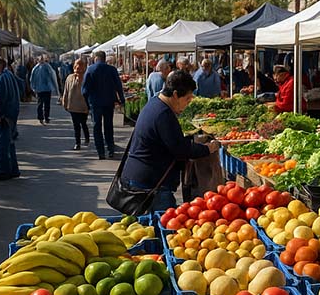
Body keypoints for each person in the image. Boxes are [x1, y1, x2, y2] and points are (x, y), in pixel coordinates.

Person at [122, 70, 219, 212]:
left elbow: (171, 142)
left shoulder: (155, 104)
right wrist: (208, 148)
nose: (188, 103)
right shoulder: (163, 115)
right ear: (175, 95)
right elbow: (181, 150)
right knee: (161, 227)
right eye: (187, 99)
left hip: (141, 178)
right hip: (151, 184)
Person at [82, 50, 125, 159]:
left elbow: (84, 90)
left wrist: (87, 103)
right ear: (105, 59)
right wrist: (121, 100)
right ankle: (110, 149)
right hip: (109, 102)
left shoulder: (90, 69)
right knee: (108, 125)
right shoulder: (112, 70)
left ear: (95, 58)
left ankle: (100, 151)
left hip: (95, 103)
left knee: (96, 126)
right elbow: (118, 86)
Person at [0, 57, 21, 180]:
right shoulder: (9, 76)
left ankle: (4, 171)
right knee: (9, 144)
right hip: (10, 116)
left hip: (3, 117)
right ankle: (13, 169)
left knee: (2, 145)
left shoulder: (1, 79)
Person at [62, 58, 90, 150]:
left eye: (80, 67)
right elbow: (66, 90)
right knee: (76, 125)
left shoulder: (87, 77)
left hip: (83, 106)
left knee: (83, 123)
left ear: (84, 68)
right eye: (76, 67)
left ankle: (87, 137)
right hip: (73, 105)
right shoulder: (70, 78)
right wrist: (64, 102)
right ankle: (77, 143)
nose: (78, 69)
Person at [29, 56, 59, 125]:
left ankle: (40, 117)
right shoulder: (47, 67)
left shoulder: (35, 68)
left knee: (40, 103)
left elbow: (32, 79)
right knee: (47, 104)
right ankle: (46, 117)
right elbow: (52, 76)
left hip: (39, 89)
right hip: (47, 88)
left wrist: (33, 88)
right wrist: (55, 88)